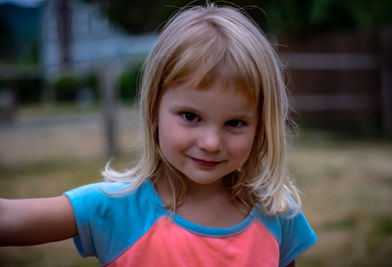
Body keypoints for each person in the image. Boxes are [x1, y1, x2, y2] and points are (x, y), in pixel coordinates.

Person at [0, 4, 317, 267]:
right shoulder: (116, 208)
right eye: (191, 117)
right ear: (153, 110)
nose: (210, 142)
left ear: (261, 125)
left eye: (235, 123)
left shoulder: (278, 213)